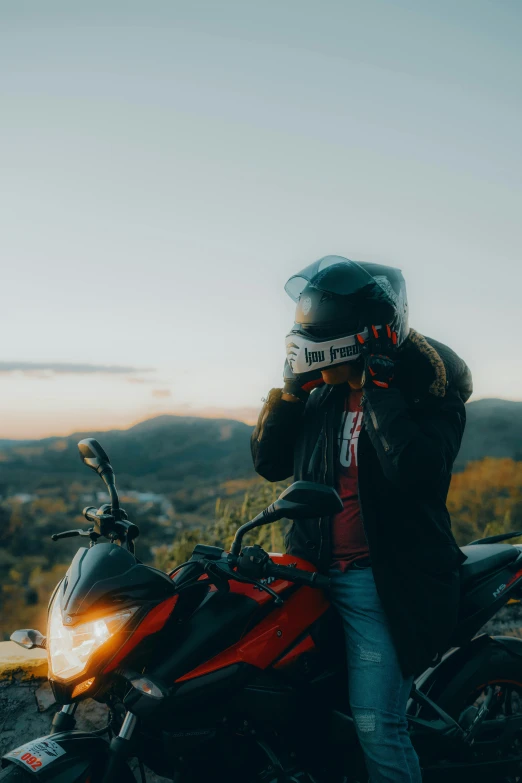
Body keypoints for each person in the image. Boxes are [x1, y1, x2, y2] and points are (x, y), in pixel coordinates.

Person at [251, 256, 473, 783]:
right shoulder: (321, 393)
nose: (309, 348)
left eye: (320, 336)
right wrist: (286, 394)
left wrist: (379, 390)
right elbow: (269, 464)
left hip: (384, 580)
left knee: (377, 724)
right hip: (311, 574)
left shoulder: (429, 395)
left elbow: (415, 472)